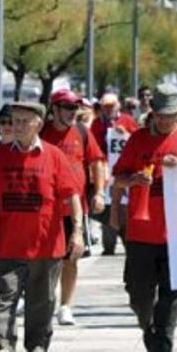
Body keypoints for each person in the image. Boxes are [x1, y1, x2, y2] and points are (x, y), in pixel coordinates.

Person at [111, 83, 177, 352]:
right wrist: (132, 180)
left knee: (172, 293)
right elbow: (117, 179)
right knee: (137, 293)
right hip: (141, 233)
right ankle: (146, 325)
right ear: (152, 113)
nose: (166, 120)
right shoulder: (137, 139)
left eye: (171, 115)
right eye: (161, 115)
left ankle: (162, 344)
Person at [0, 102, 84, 352]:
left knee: (42, 303)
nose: (18, 126)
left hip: (46, 247)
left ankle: (37, 347)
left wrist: (77, 232)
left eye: (25, 121)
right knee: (5, 299)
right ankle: (4, 346)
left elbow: (72, 197)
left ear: (39, 123)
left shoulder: (54, 156)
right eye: (14, 121)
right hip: (7, 244)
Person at [41, 89, 107, 326]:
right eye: (67, 107)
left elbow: (97, 162)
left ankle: (65, 306)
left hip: (74, 209)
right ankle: (40, 301)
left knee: (71, 259)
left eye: (75, 108)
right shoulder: (41, 132)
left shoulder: (82, 132)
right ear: (55, 109)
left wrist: (99, 192)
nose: (72, 112)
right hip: (45, 210)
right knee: (43, 260)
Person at [91, 92, 139, 256]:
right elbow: (93, 146)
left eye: (111, 106)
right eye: (105, 107)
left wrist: (125, 132)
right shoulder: (97, 124)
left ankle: (129, 244)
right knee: (108, 208)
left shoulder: (127, 120)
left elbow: (137, 139)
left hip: (124, 171)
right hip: (106, 171)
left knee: (124, 207)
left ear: (118, 105)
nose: (108, 110)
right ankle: (108, 246)